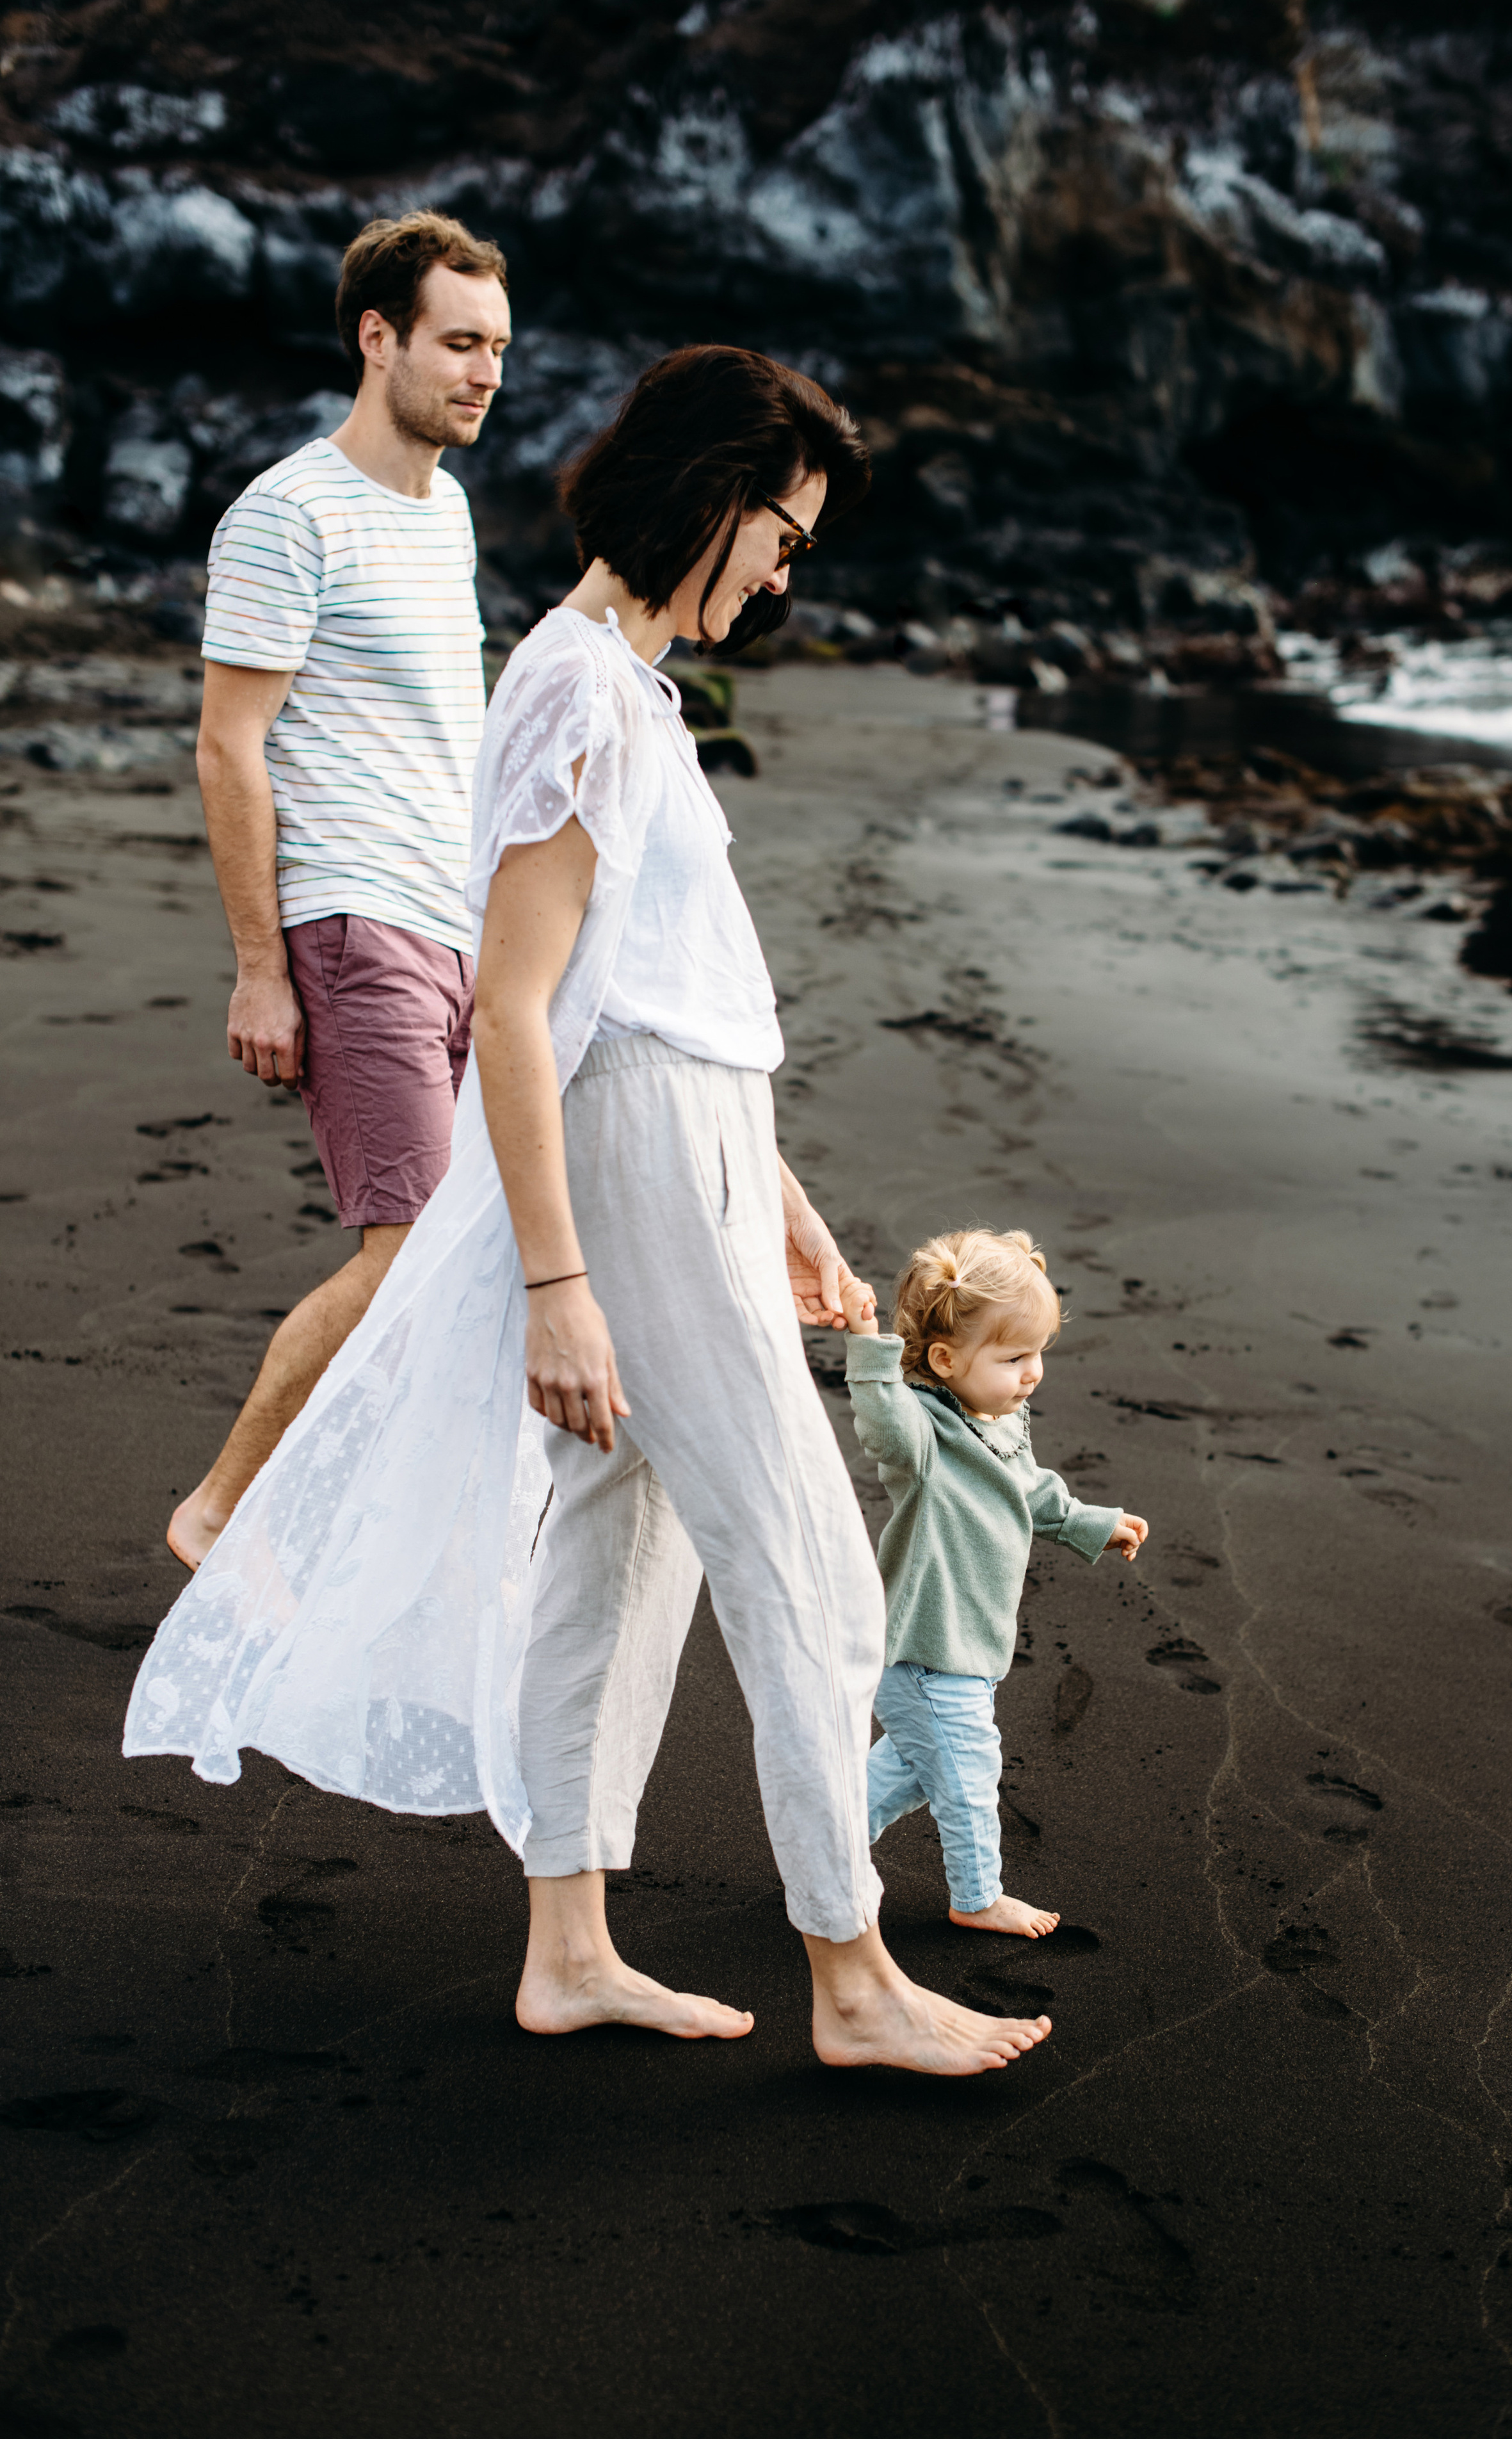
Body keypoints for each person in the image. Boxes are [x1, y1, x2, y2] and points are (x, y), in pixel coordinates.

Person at [126, 345, 1052, 2078]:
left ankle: (570, 1949)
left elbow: (653, 996)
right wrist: (560, 1279)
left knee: (613, 1564)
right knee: (811, 1571)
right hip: (625, 1174)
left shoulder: (618, 686)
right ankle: (851, 1985)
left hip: (681, 1149)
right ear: (713, 495)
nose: (789, 571)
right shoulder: (573, 692)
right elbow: (524, 1012)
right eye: (784, 531)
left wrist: (780, 1202)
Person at [166, 209, 512, 1573]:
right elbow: (228, 744)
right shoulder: (286, 515)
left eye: (496, 348)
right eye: (457, 344)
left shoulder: (453, 513)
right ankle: (221, 1513)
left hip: (463, 928)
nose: (484, 374)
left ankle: (378, 1528)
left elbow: (454, 738)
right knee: (411, 1252)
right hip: (355, 925)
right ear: (378, 339)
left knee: (477, 1247)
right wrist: (261, 966)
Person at [843, 1229, 1149, 1938]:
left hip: (970, 1643)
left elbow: (1031, 1492)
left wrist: (1090, 1524)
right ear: (946, 1360)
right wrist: (868, 1348)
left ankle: (826, 1839)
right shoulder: (921, 1435)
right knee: (969, 1773)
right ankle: (977, 1895)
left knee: (921, 1769)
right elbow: (883, 1426)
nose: (1032, 1372)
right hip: (924, 1646)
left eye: (1038, 1353)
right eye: (1014, 1358)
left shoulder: (1002, 1418)